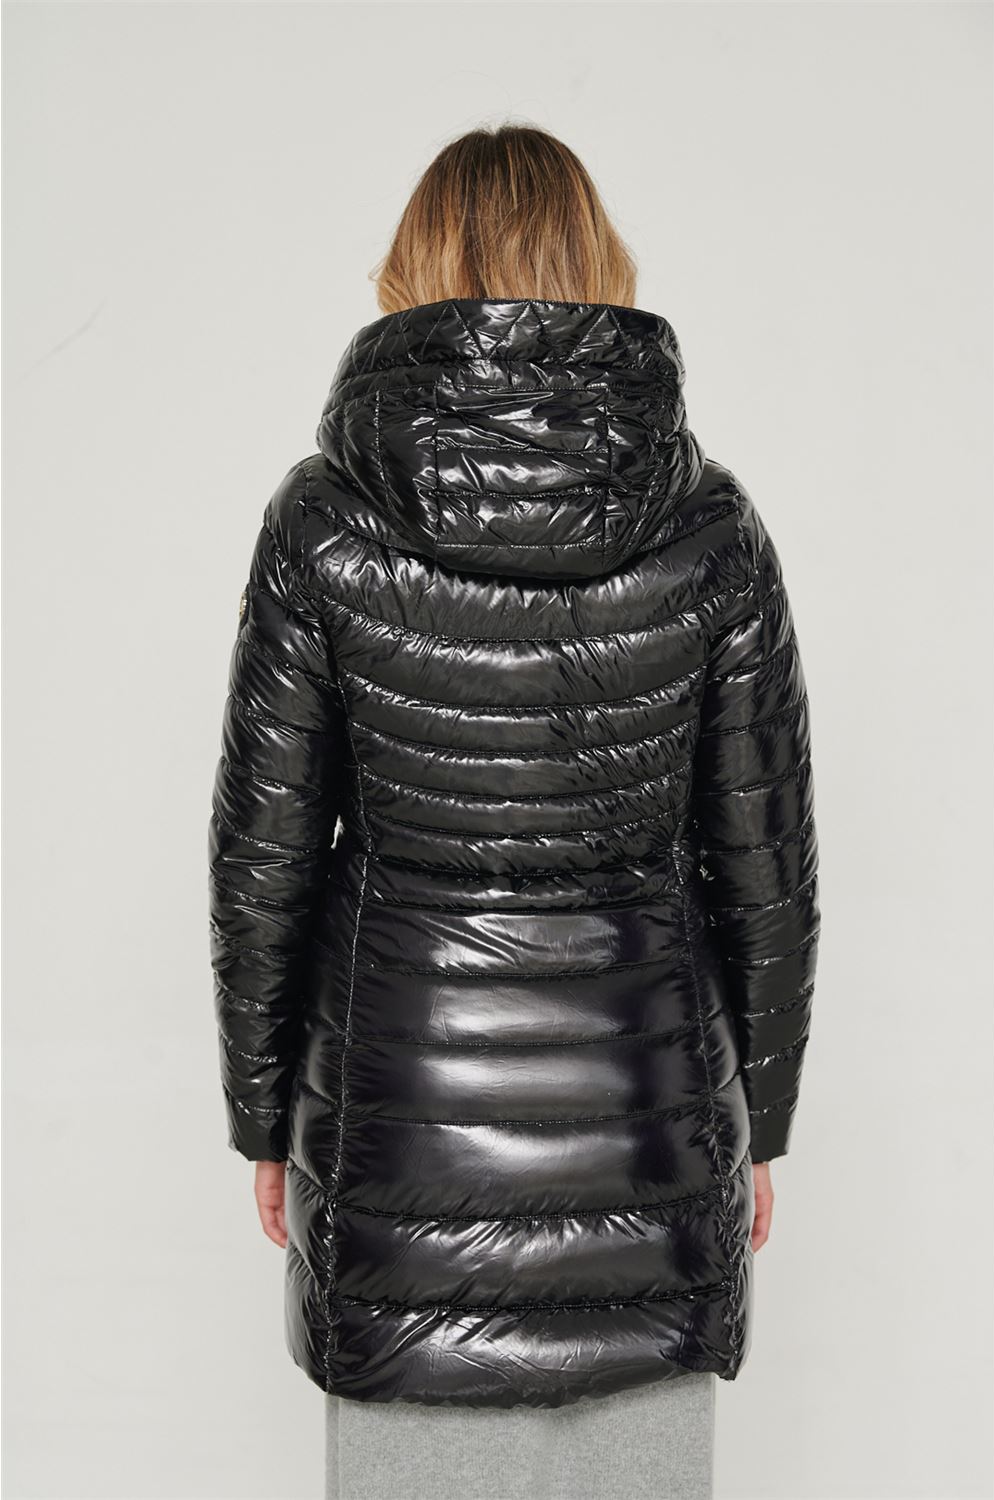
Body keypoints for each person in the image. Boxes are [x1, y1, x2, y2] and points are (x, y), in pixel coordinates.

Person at [207, 122, 821, 1500]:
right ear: (601, 264)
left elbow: (263, 859)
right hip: (654, 1141)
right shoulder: (713, 530)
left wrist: (263, 1119)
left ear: (411, 269)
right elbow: (768, 874)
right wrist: (759, 1124)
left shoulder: (321, 525)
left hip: (396, 1145)